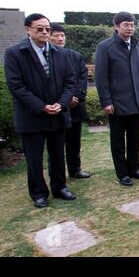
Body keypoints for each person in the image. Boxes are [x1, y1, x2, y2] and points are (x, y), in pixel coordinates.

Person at [4, 13, 77, 208]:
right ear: (28, 29)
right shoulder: (14, 54)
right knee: (35, 158)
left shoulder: (60, 53)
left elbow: (70, 82)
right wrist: (41, 106)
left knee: (57, 155)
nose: (45, 32)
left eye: (47, 29)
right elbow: (16, 86)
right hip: (32, 116)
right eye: (40, 28)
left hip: (58, 114)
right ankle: (39, 193)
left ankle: (60, 187)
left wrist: (61, 104)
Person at [95, 12, 139, 186]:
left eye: (132, 25)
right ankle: (122, 173)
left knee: (135, 138)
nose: (130, 28)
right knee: (118, 140)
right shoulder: (105, 47)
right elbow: (101, 76)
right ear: (116, 27)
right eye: (126, 25)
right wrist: (106, 101)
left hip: (135, 100)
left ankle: (134, 169)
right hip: (117, 103)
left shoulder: (137, 45)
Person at [49, 22, 90, 179]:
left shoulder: (75, 56)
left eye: (62, 35)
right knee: (57, 145)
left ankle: (75, 169)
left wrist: (77, 97)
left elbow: (82, 77)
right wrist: (64, 100)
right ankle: (57, 175)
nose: (60, 39)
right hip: (58, 107)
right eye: (56, 36)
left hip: (75, 106)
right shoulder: (47, 57)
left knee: (74, 141)